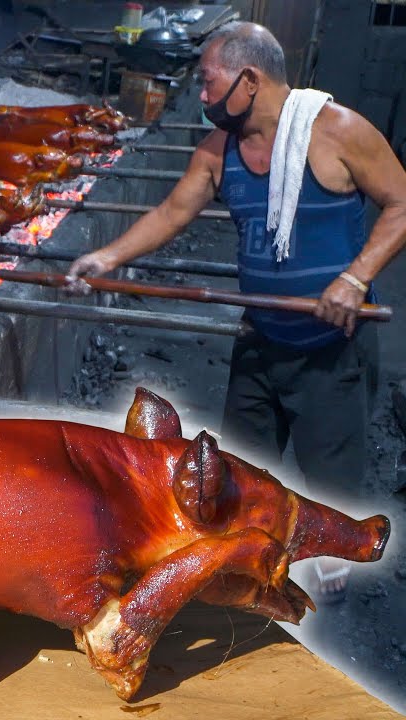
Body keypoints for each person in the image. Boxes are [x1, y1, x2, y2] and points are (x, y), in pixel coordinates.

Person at [66, 22, 406, 601]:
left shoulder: (338, 131)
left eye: (207, 82)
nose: (200, 96)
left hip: (328, 346)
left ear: (248, 80)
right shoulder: (218, 151)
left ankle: (335, 562)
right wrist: (107, 256)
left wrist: (355, 278)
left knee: (329, 467)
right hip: (260, 337)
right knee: (242, 459)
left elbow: (401, 201)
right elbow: (173, 213)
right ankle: (248, 552)